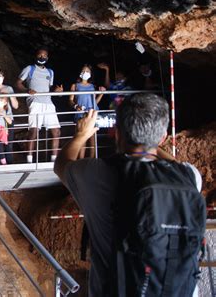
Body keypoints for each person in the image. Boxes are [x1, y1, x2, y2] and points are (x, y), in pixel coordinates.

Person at [54, 93, 202, 296]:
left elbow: (61, 164)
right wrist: (153, 145)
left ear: (117, 133)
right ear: (163, 137)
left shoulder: (97, 174)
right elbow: (174, 165)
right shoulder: (190, 176)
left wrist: (81, 135)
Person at [16, 47, 63, 163]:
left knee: (56, 131)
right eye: (40, 55)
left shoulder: (50, 72)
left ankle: (54, 160)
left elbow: (49, 88)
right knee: (33, 131)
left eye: (44, 56)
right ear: (35, 56)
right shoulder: (30, 69)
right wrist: (27, 90)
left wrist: (57, 90)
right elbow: (18, 83)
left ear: (47, 57)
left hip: (48, 103)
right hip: (35, 102)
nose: (42, 57)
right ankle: (29, 160)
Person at [69, 64, 106, 158]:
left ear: (90, 74)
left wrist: (101, 94)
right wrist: (76, 106)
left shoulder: (92, 86)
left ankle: (93, 158)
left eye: (88, 71)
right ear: (80, 73)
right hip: (80, 113)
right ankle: (80, 160)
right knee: (81, 137)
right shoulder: (75, 85)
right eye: (83, 71)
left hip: (92, 113)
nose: (85, 73)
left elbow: (95, 102)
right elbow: (70, 100)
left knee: (92, 138)